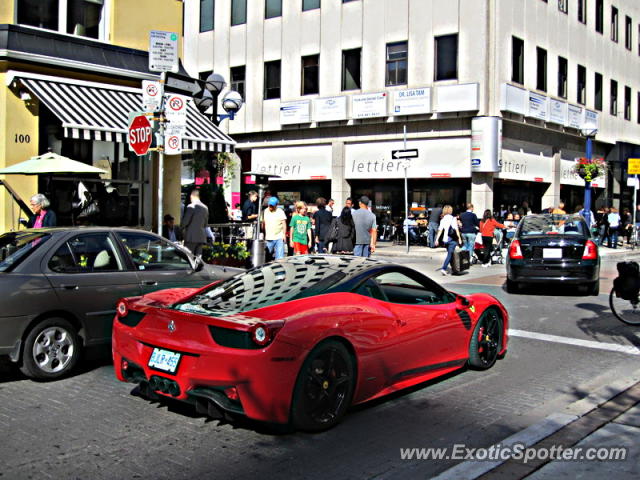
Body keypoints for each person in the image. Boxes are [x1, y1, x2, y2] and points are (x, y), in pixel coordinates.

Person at [435, 205, 462, 275]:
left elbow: (440, 230)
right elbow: (456, 229)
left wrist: (437, 239)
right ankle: (444, 268)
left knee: (451, 254)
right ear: (451, 210)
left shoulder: (442, 220)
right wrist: (459, 239)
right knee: (450, 254)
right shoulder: (453, 218)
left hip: (445, 240)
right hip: (452, 239)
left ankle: (454, 269)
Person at [181, 189, 209, 256]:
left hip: (191, 237)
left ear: (192, 196)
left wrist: (181, 229)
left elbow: (185, 222)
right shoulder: (205, 208)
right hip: (201, 237)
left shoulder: (191, 207)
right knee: (198, 257)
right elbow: (205, 224)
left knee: (188, 256)